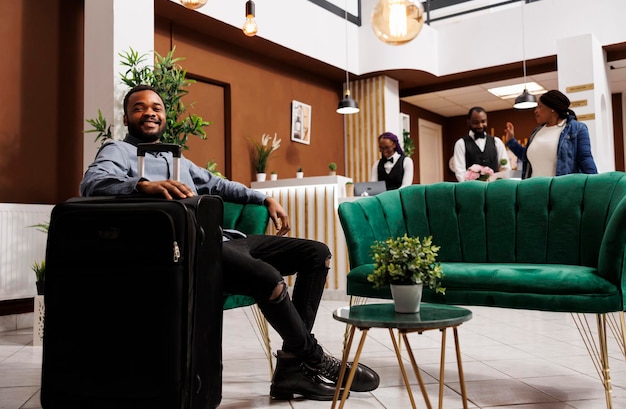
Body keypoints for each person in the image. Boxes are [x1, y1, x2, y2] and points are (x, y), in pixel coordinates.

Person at [79, 85, 379, 401]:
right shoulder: (118, 151)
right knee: (267, 278)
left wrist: (264, 199)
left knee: (316, 254)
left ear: (165, 116)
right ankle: (315, 359)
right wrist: (144, 186)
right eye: (139, 107)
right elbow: (93, 183)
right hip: (191, 249)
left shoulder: (176, 157)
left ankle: (292, 367)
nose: (150, 112)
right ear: (127, 117)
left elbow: (219, 185)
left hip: (225, 240)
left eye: (156, 107)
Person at [504, 89, 598, 179]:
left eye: (540, 106)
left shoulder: (577, 129)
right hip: (533, 190)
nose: (535, 111)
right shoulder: (536, 132)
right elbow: (526, 157)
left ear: (552, 108)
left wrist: (596, 183)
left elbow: (585, 160)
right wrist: (511, 141)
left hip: (561, 191)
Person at [453, 106, 510, 182]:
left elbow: (505, 167)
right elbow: (460, 172)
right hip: (472, 189)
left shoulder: (497, 141)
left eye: (483, 122)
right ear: (468, 122)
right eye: (476, 122)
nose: (480, 125)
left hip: (494, 188)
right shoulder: (461, 143)